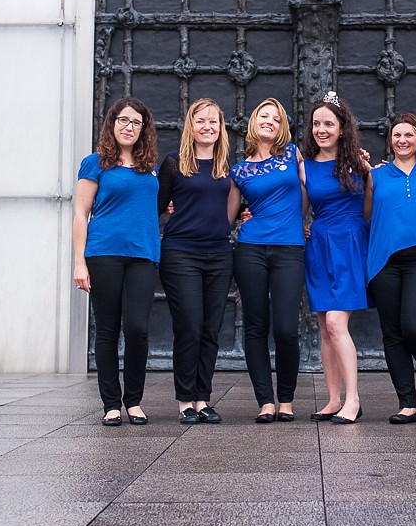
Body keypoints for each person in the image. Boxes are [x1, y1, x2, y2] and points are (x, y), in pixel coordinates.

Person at [73, 97, 159, 427]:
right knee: (108, 329)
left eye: (136, 122)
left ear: (143, 129)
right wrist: (79, 263)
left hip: (143, 255)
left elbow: (156, 203)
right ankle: (111, 403)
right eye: (123, 120)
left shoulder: (148, 166)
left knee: (137, 329)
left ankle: (133, 400)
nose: (129, 127)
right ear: (112, 124)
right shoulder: (95, 163)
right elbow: (81, 213)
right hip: (104, 253)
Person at [227, 98, 307, 424]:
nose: (270, 121)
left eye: (276, 117)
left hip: (290, 248)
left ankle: (286, 399)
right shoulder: (238, 170)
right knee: (256, 326)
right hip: (250, 249)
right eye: (264, 116)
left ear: (282, 126)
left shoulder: (293, 154)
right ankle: (266, 401)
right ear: (253, 122)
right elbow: (227, 216)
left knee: (287, 328)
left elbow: (309, 190)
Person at [157, 98, 234, 425]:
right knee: (189, 326)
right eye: (201, 121)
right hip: (180, 253)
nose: (207, 127)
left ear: (221, 127)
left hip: (219, 254)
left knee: (209, 329)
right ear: (191, 125)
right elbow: (157, 206)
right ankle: (185, 400)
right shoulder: (174, 163)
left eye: (213, 122)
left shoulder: (226, 165)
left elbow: (236, 202)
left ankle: (203, 399)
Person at [365, 113, 416, 424]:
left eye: (409, 135)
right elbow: (366, 214)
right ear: (390, 140)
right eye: (397, 135)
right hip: (385, 262)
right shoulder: (377, 176)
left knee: (415, 327)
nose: (402, 140)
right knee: (393, 334)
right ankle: (406, 403)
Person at [302, 91, 370, 425]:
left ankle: (353, 400)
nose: (321, 129)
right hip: (320, 246)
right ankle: (333, 399)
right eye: (316, 123)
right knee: (324, 328)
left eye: (328, 123)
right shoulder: (304, 165)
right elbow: (298, 210)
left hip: (350, 244)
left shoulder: (358, 162)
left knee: (335, 322)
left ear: (342, 127)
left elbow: (375, 202)